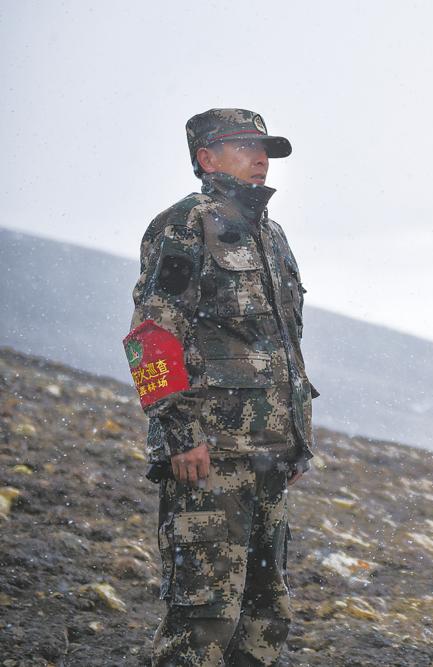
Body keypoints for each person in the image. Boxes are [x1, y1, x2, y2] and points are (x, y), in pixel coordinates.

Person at [123, 108, 317, 666]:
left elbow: (282, 345)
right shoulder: (184, 225)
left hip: (269, 457)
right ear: (206, 159)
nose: (260, 160)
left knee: (265, 615)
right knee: (204, 617)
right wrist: (181, 434)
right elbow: (151, 337)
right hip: (209, 458)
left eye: (265, 150)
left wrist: (295, 442)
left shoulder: (271, 235)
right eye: (245, 148)